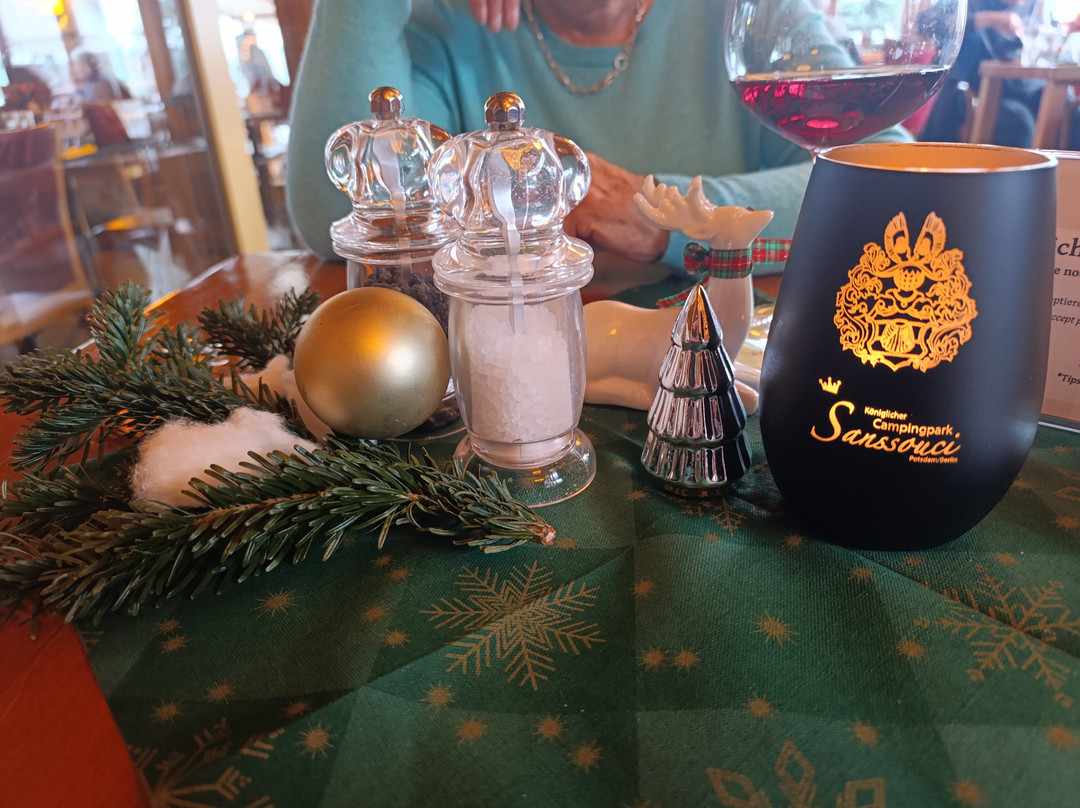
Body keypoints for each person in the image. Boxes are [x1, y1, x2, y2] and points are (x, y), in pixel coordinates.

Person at [286, 0, 909, 274]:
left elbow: (893, 177)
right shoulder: (446, 25)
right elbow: (335, 218)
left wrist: (661, 215)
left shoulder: (751, 15)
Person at [918, 0, 1043, 147]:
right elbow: (926, 24)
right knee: (1019, 121)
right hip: (974, 92)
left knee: (1063, 111)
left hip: (1022, 87)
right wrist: (990, 19)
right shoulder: (972, 3)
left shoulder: (1034, 6)